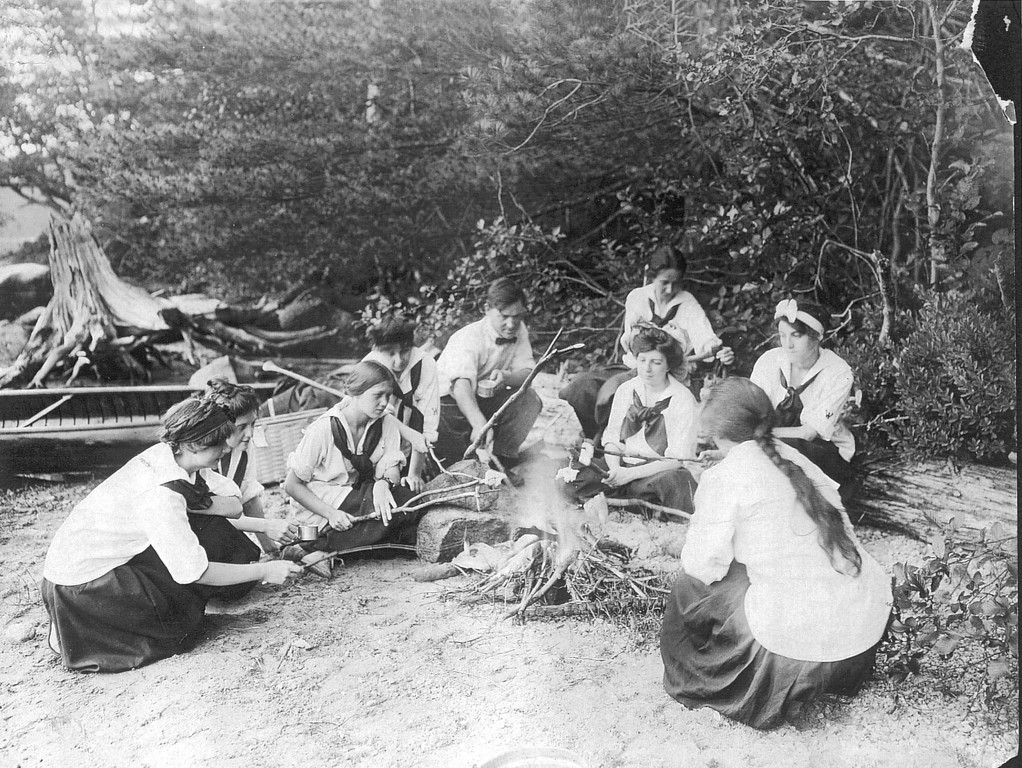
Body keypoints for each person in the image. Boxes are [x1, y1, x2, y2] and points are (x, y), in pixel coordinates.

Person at [660, 377, 891, 729]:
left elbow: (702, 566)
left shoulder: (724, 477)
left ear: (715, 430)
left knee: (689, 582)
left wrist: (710, 492)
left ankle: (707, 671)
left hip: (801, 649)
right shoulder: (795, 458)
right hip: (862, 630)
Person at [40, 397, 302, 673]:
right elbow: (196, 572)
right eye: (218, 444)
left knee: (211, 532)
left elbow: (233, 502)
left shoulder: (169, 456)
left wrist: (207, 505)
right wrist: (265, 570)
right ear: (192, 444)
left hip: (96, 566)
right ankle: (85, 631)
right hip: (82, 585)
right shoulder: (162, 496)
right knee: (177, 629)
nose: (226, 448)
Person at [560, 244, 734, 441]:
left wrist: (717, 350)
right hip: (634, 368)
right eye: (664, 283)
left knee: (613, 393)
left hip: (668, 375)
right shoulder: (638, 297)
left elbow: (705, 339)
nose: (670, 289)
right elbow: (631, 341)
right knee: (581, 387)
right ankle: (594, 437)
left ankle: (609, 442)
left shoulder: (687, 304)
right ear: (651, 277)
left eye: (676, 283)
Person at [283, 360, 419, 576]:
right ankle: (307, 544)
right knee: (394, 515)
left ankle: (319, 549)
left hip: (361, 494)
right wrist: (332, 514)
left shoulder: (385, 422)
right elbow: (292, 485)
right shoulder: (323, 429)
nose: (384, 402)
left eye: (388, 395)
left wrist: (383, 484)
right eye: (378, 395)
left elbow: (391, 466)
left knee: (406, 502)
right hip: (322, 503)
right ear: (355, 392)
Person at [557, 327, 699, 515]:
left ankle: (621, 500)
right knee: (567, 475)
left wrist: (630, 475)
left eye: (656, 362)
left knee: (675, 483)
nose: (647, 369)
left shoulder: (682, 399)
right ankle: (630, 501)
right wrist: (615, 470)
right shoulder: (626, 389)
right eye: (642, 360)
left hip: (656, 472)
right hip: (621, 466)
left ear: (668, 365)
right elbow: (612, 440)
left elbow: (677, 460)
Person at [749, 298, 857, 500]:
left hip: (820, 451)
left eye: (796, 335)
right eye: (782, 336)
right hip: (771, 440)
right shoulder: (770, 360)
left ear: (816, 337)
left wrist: (757, 435)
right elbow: (751, 411)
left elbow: (807, 434)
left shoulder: (838, 372)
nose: (788, 345)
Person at [433, 277, 542, 468]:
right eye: (504, 316)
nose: (511, 324)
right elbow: (460, 386)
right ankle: (460, 464)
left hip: (483, 397)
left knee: (529, 399)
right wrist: (479, 424)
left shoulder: (519, 329)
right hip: (447, 403)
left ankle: (503, 461)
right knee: (462, 464)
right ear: (486, 309)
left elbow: (528, 372)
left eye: (517, 316)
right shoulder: (469, 337)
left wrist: (507, 377)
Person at [200, 379, 299, 555]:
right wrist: (265, 526)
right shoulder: (202, 459)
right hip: (199, 524)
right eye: (241, 427)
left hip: (222, 521)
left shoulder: (243, 449)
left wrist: (271, 548)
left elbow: (248, 496)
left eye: (253, 424)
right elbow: (207, 512)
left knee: (249, 552)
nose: (250, 433)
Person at [362, 316, 440, 492]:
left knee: (409, 486)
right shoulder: (370, 365)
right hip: (377, 437)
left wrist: (415, 474)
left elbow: (427, 418)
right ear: (378, 349)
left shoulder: (425, 364)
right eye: (390, 353)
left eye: (404, 351)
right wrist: (407, 433)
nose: (399, 360)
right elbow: (373, 414)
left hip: (412, 441)